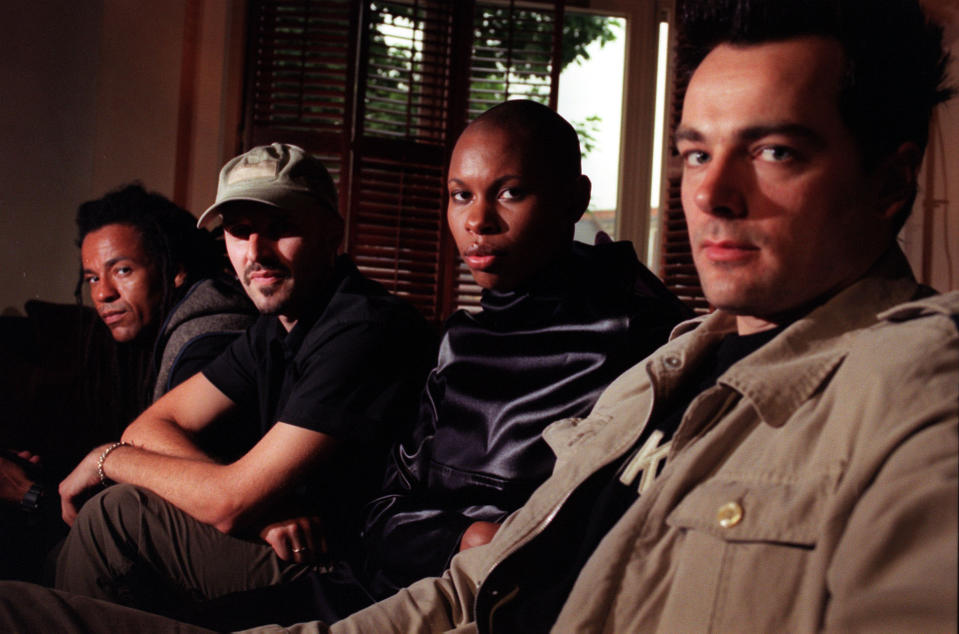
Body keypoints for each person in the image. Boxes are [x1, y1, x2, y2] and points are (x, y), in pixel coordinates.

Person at [0, 0, 956, 629]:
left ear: (890, 179)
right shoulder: (667, 371)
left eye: (776, 151)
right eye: (695, 153)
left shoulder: (917, 390)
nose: (713, 194)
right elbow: (466, 586)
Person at [188, 100, 690, 628]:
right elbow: (383, 512)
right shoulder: (459, 340)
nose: (477, 220)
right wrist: (460, 536)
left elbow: (617, 541)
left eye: (510, 192)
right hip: (383, 586)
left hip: (495, 606)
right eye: (460, 196)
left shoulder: (645, 341)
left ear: (576, 198)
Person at [50, 144, 435, 622]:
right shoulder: (274, 329)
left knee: (119, 516)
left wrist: (106, 459)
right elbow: (153, 426)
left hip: (358, 576)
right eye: (239, 231)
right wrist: (256, 509)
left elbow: (229, 502)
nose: (256, 253)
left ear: (331, 233)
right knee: (114, 516)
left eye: (280, 228)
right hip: (297, 549)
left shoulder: (365, 328)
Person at [0, 183, 256, 581]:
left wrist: (29, 494)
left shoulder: (208, 340)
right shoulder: (174, 326)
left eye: (122, 270)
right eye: (91, 277)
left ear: (175, 270)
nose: (103, 293)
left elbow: (171, 505)